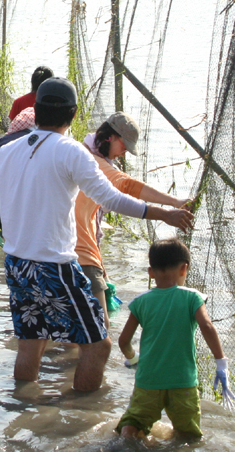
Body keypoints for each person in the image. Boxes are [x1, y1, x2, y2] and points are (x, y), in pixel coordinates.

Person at [0, 77, 194, 392]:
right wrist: (165, 213)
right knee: (99, 345)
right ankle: (79, 419)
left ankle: (25, 408)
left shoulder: (9, 149)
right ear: (73, 114)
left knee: (30, 343)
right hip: (53, 265)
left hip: (16, 262)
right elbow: (112, 198)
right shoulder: (71, 151)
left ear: (37, 108)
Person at [75, 113, 191, 327]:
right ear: (110, 137)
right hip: (80, 255)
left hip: (67, 251)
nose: (124, 152)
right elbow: (131, 187)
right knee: (101, 330)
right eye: (124, 146)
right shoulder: (96, 164)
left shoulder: (80, 152)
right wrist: (172, 205)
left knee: (73, 330)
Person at [116, 238, 235, 438]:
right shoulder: (193, 297)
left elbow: (123, 341)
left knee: (133, 423)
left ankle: (127, 441)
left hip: (148, 381)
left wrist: (134, 359)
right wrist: (221, 363)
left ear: (151, 272)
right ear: (184, 269)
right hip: (183, 382)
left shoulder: (141, 302)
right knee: (188, 434)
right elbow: (207, 326)